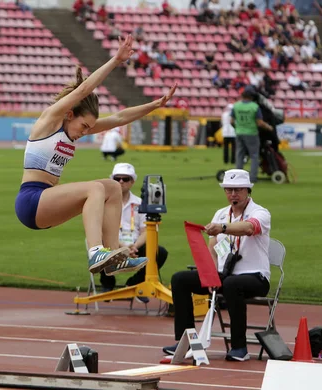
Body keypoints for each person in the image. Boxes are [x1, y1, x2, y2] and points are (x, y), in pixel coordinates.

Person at [14, 35, 177, 275]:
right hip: (31, 201)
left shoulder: (72, 130)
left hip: (47, 201)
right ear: (70, 114)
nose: (85, 133)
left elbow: (118, 118)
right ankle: (95, 253)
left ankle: (112, 255)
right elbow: (85, 89)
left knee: (111, 187)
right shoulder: (50, 121)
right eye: (84, 126)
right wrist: (116, 60)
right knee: (95, 189)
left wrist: (153, 106)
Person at [162, 169, 271, 362]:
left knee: (231, 285)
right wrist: (210, 274)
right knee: (180, 279)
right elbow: (212, 247)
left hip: (255, 276)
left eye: (237, 190)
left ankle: (239, 347)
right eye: (229, 190)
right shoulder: (221, 214)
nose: (233, 194)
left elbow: (248, 228)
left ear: (247, 190)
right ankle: (184, 341)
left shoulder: (260, 213)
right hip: (225, 274)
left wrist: (222, 228)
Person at [99, 163, 169, 303]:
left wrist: (134, 246)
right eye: (117, 178)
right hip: (113, 243)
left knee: (160, 252)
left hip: (135, 245)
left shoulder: (140, 203)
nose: (121, 182)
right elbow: (102, 230)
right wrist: (123, 246)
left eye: (125, 179)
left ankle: (135, 284)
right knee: (100, 246)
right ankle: (107, 284)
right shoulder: (104, 203)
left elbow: (146, 231)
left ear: (132, 181)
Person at [231, 88, 274, 183]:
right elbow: (259, 122)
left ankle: (238, 178)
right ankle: (253, 177)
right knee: (254, 155)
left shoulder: (236, 106)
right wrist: (269, 127)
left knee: (239, 155)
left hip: (239, 132)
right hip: (251, 133)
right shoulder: (254, 106)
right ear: (251, 97)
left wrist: (237, 127)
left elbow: (231, 121)